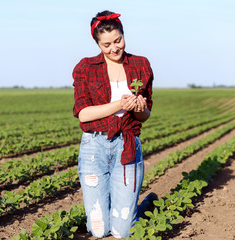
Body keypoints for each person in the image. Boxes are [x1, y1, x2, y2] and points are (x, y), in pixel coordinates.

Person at [72, 10, 157, 238]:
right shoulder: (86, 67)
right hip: (94, 147)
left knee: (122, 232)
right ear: (98, 43)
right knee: (99, 230)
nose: (114, 48)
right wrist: (119, 104)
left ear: (123, 35)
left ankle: (144, 206)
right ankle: (117, 211)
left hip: (127, 145)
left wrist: (139, 108)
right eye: (106, 44)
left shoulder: (141, 64)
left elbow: (145, 115)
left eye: (118, 40)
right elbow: (83, 114)